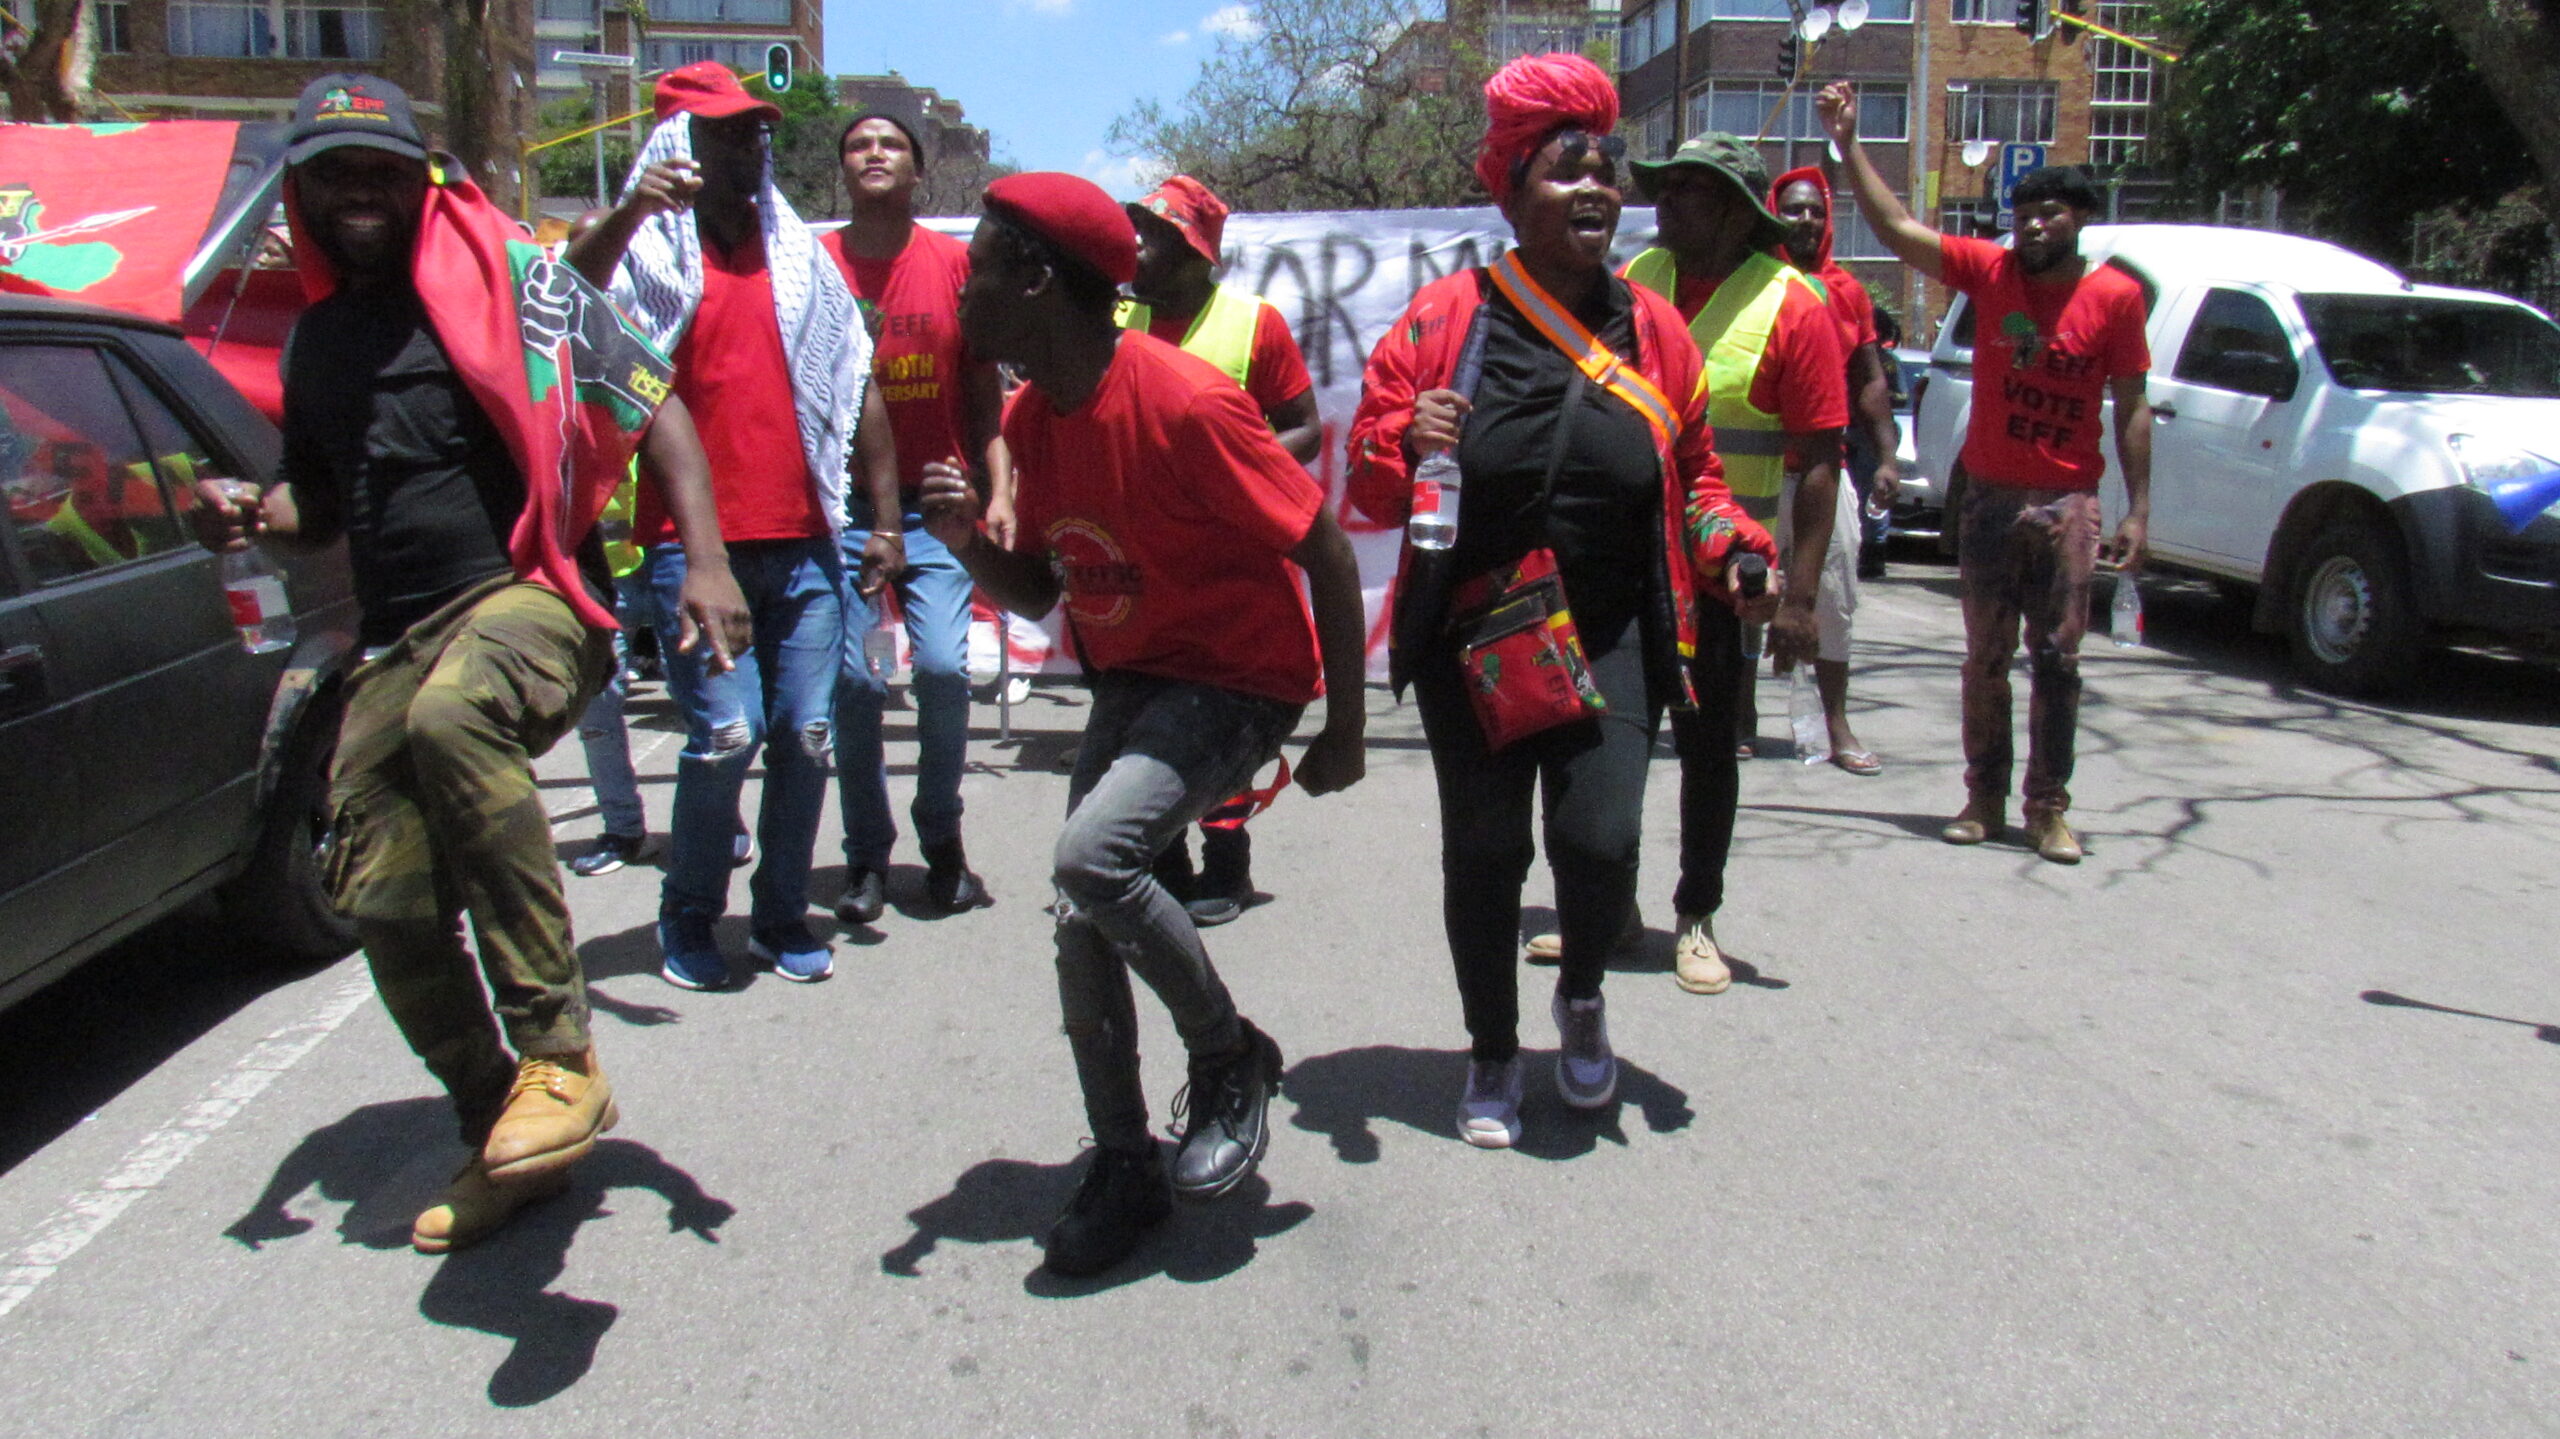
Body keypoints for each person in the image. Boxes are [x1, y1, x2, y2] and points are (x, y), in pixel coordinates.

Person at [190, 73, 750, 1253]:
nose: (356, 191)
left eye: (378, 169)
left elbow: (655, 405)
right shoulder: (319, 342)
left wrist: (705, 561)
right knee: (379, 897)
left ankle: (559, 1055)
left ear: (420, 179)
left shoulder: (519, 286)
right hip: (397, 633)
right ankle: (504, 1128)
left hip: (528, 595)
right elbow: (319, 509)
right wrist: (253, 513)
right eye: (331, 171)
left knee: (457, 718)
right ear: (303, 190)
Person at [918, 172, 1368, 1277]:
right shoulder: (1033, 412)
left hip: (1237, 675)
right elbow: (1036, 594)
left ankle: (1228, 1054)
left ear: (1034, 279)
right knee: (1083, 911)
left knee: (1091, 855)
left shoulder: (1185, 401)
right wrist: (965, 538)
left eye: (975, 265)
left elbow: (1327, 549)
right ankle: (1124, 1160)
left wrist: (1344, 727)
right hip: (1135, 676)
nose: (959, 291)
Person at [1347, 58, 1779, 1147]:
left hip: (1615, 631)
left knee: (1599, 842)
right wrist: (1408, 440)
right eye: (1563, 168)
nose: (1594, 186)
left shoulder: (1658, 334)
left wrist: (1734, 550)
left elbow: (1701, 481)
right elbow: (1361, 475)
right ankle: (1492, 1049)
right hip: (1475, 635)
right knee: (1487, 853)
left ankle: (1581, 991)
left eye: (1605, 168)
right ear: (1510, 190)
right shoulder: (1445, 320)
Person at [567, 62, 904, 985]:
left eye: (755, 134)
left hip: (805, 548)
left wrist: (882, 521)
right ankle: (689, 915)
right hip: (691, 557)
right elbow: (567, 305)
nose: (748, 148)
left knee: (805, 735)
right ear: (678, 146)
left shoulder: (797, 257)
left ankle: (780, 914)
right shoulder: (642, 251)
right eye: (724, 134)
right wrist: (636, 210)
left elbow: (855, 380)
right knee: (727, 735)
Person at [1818, 81, 2153, 864]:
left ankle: (2048, 809)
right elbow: (1900, 230)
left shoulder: (2116, 297)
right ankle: (1983, 797)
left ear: (2080, 221)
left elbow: (2133, 405)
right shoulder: (1991, 273)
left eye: (2051, 214)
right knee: (1985, 659)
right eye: (2024, 214)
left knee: (2060, 660)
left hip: (2067, 504)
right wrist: (1849, 144)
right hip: (1991, 502)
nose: (2034, 226)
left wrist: (2137, 509)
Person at [1610, 135, 1846, 995]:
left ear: (1733, 213)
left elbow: (1821, 460)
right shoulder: (1639, 279)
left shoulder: (1795, 305)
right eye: (1663, 189)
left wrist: (1800, 597)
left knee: (1709, 748)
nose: (1663, 204)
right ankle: (1606, 911)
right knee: (1615, 745)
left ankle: (1696, 916)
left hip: (1723, 575)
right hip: (1624, 559)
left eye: (1684, 193)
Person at [1118, 174, 1321, 927]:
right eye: (1139, 229)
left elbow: (1306, 426)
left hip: (1231, 564)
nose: (1139, 246)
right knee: (1145, 712)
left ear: (1198, 256)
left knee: (1218, 710)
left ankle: (1226, 866)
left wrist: (1236, 467)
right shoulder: (1113, 321)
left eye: (1158, 235)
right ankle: (1158, 861)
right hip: (1139, 564)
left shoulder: (1253, 323)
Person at [824, 111, 1010, 923]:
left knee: (940, 669)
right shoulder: (811, 266)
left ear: (917, 171)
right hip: (843, 511)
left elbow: (982, 396)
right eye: (859, 144)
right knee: (856, 682)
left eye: (890, 144)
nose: (874, 153)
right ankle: (866, 854)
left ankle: (943, 842)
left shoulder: (953, 264)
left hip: (937, 507)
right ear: (844, 171)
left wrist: (999, 491)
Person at [1772, 166, 1894, 765]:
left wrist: (1889, 454)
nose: (1805, 221)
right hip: (1760, 473)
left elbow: (1869, 380)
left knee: (1834, 596)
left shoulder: (1847, 291)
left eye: (1815, 211)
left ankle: (1836, 723)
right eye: (1792, 209)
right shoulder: (1754, 282)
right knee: (1745, 593)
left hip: (1827, 471)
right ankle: (1740, 719)